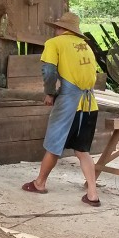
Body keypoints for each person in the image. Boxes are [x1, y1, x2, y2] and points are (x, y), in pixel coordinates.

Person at [22, 12, 101, 207]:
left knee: (54, 145)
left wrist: (49, 92)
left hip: (69, 102)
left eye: (56, 27)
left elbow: (48, 71)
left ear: (60, 28)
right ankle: (92, 194)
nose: (55, 30)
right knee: (82, 150)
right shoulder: (86, 47)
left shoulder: (54, 43)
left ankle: (39, 183)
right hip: (90, 103)